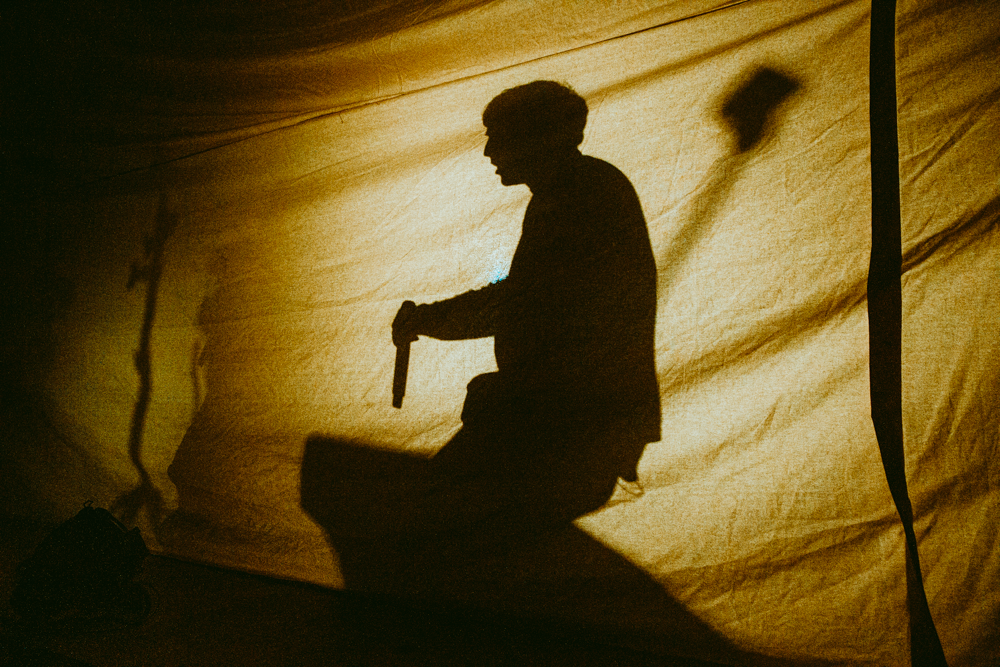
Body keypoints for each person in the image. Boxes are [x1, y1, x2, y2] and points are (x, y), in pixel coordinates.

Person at [391, 80, 660, 553]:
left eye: (499, 137)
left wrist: (429, 320)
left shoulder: (581, 196)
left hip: (568, 425)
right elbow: (528, 297)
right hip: (567, 421)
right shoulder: (574, 191)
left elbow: (524, 301)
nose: (488, 152)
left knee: (430, 530)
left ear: (538, 138)